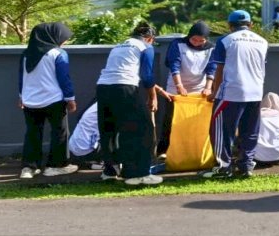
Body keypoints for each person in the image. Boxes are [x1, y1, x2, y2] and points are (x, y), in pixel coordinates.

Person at [201, 10, 268, 179]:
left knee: (222, 131)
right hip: (256, 92)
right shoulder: (262, 41)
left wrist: (214, 92)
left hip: (231, 93)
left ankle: (224, 167)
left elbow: (219, 69)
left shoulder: (225, 40)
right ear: (250, 24)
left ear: (230, 26)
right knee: (250, 131)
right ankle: (246, 166)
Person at [95, 22, 163, 186]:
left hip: (103, 88)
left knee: (109, 129)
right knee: (141, 129)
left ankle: (110, 171)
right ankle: (137, 174)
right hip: (124, 88)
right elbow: (147, 76)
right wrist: (152, 97)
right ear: (149, 38)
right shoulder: (145, 47)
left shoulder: (118, 47)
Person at [18, 22, 79, 179]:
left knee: (32, 133)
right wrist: (70, 98)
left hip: (30, 101)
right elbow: (64, 79)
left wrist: (21, 96)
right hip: (54, 100)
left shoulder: (26, 54)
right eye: (63, 38)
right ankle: (56, 166)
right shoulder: (58, 53)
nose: (64, 41)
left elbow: (21, 78)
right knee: (60, 132)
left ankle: (29, 168)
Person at [157, 21, 215, 157]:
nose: (196, 43)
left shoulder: (212, 48)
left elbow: (212, 68)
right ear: (189, 35)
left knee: (193, 121)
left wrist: (208, 88)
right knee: (171, 118)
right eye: (194, 39)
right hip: (176, 87)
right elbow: (174, 65)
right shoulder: (178, 44)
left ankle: (191, 148)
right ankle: (164, 150)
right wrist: (179, 85)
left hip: (199, 89)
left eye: (201, 40)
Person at [69, 99, 102, 170]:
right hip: (87, 152)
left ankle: (87, 163)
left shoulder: (95, 103)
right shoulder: (112, 104)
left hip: (72, 151)